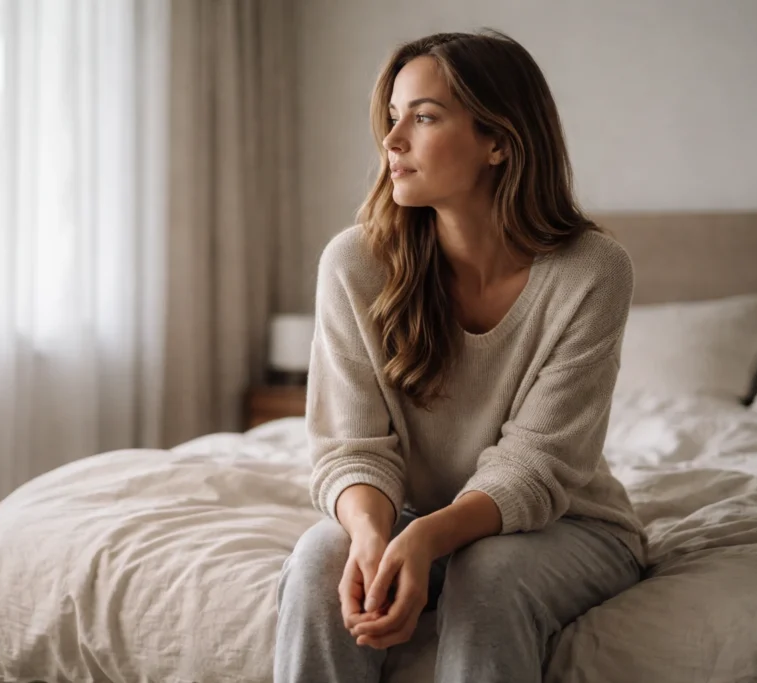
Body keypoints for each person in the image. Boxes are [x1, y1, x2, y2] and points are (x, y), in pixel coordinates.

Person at [274, 30, 647, 683]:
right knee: (319, 562)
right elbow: (351, 446)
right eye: (392, 119)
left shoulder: (592, 270)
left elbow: (536, 466)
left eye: (422, 117)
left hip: (565, 524)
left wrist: (425, 538)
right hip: (409, 514)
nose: (392, 142)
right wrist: (371, 535)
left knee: (488, 576)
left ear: (499, 141)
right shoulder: (354, 264)